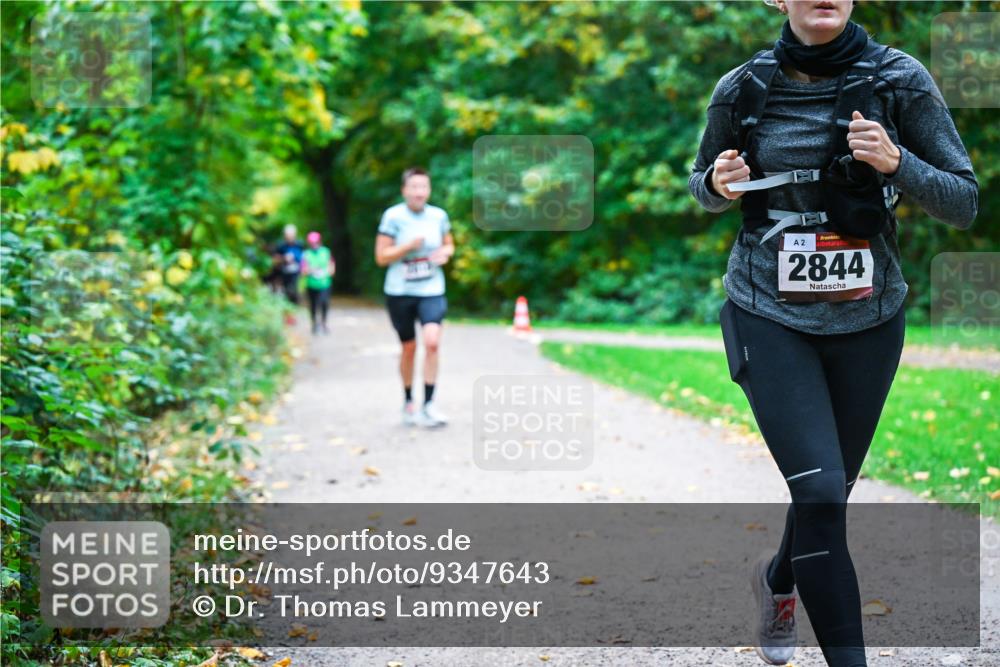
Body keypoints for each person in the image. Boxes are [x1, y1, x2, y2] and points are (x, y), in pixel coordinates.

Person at [689, 1, 977, 666]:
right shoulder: (741, 87)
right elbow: (702, 187)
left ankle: (777, 578)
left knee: (828, 489)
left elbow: (962, 201)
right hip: (768, 311)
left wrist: (896, 160)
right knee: (819, 491)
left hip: (869, 319)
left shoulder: (900, 79)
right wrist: (716, 182)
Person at [375, 167, 455, 428]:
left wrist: (445, 253)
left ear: (429, 190)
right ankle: (409, 401)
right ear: (404, 190)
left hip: (431, 289)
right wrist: (408, 246)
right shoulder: (393, 217)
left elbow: (449, 243)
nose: (419, 192)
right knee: (409, 348)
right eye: (414, 187)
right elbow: (381, 257)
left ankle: (429, 404)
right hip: (400, 291)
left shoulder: (438, 216)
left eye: (424, 187)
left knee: (432, 342)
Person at [302, 231, 335, 335]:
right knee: (313, 305)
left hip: (325, 283)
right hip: (312, 284)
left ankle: (324, 323)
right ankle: (314, 324)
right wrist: (311, 271)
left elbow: (331, 265)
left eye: (316, 242)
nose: (314, 244)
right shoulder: (306, 254)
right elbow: (303, 270)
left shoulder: (326, 252)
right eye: (312, 243)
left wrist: (329, 272)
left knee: (324, 303)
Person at [275, 224, 304, 311]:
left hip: (296, 272)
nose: (289, 237)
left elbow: (304, 258)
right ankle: (288, 312)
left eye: (291, 235)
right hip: (284, 272)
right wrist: (284, 259)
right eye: (287, 235)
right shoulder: (281, 245)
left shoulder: (300, 244)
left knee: (294, 292)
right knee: (286, 292)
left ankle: (294, 309)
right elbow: (275, 259)